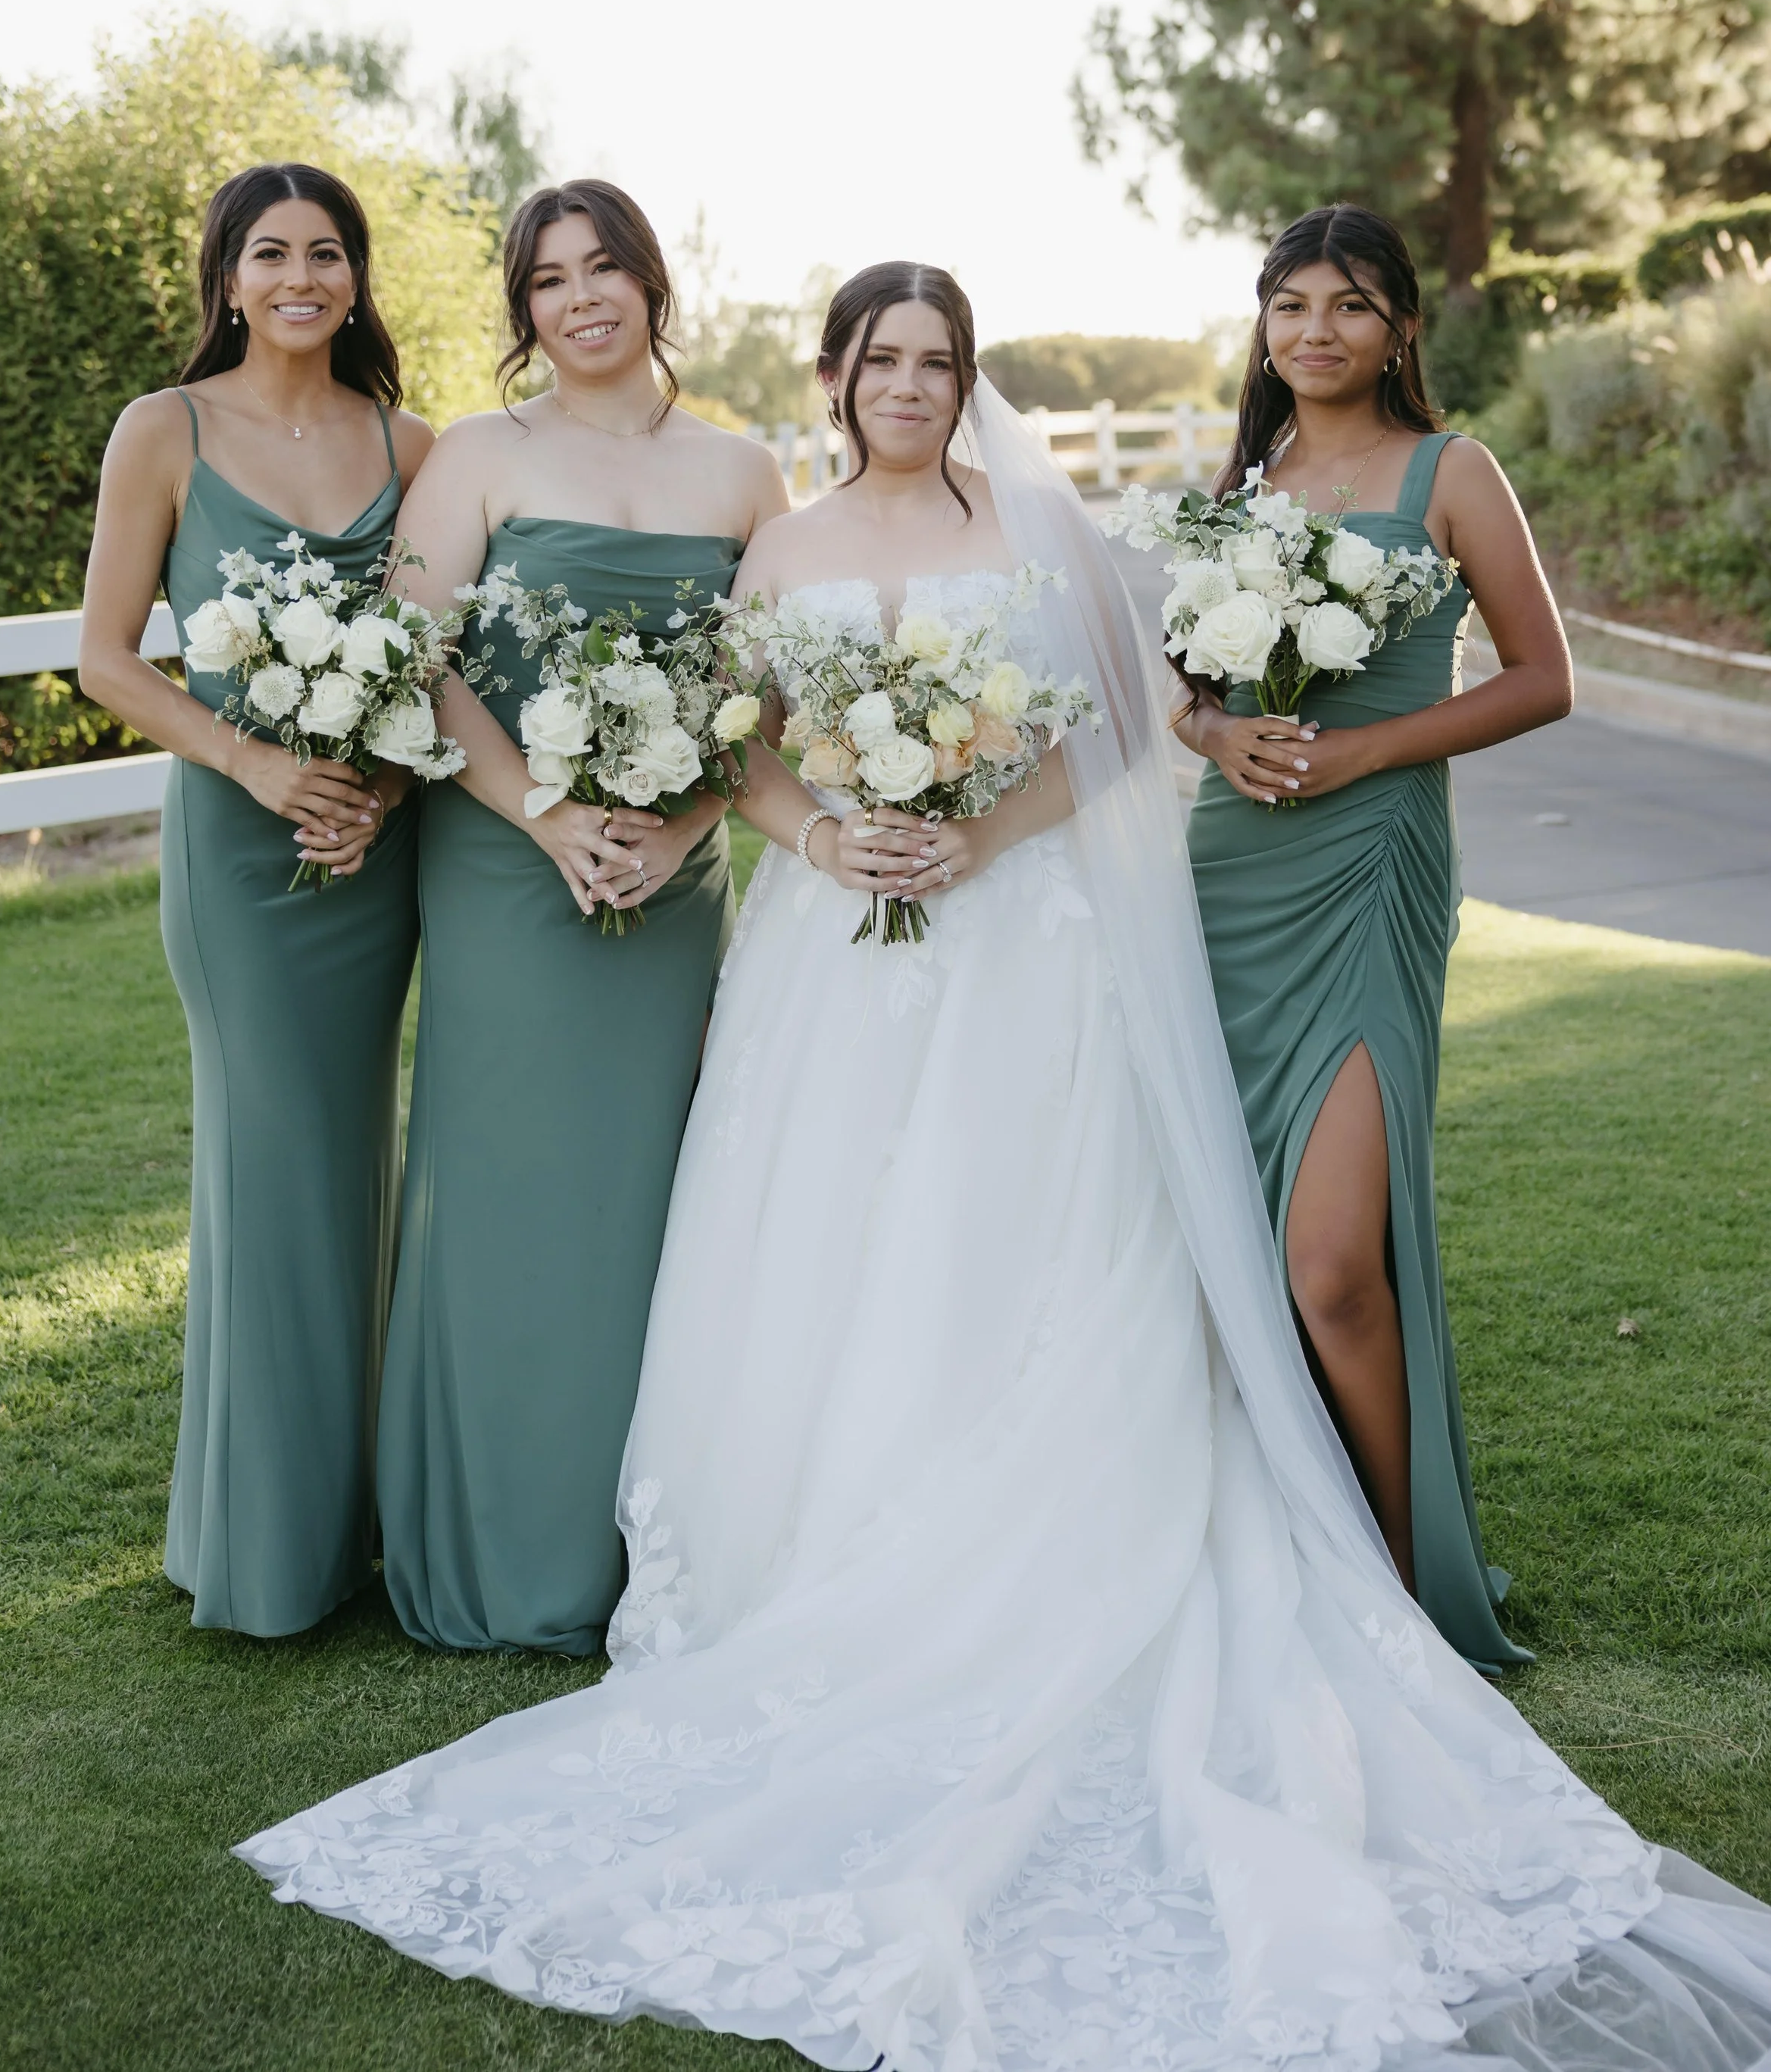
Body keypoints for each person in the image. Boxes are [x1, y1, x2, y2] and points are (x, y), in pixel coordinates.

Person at [239, 258, 1771, 2071]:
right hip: (832, 960)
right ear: (831, 377)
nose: (907, 382)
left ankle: (1052, 1544)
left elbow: (1126, 733)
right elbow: (738, 757)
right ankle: (825, 1564)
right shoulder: (783, 549)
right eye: (878, 357)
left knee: (1019, 1243)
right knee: (829, 1251)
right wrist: (834, 836)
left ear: (964, 380)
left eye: (935, 359)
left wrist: (971, 840)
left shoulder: (1038, 534)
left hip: (1024, 946)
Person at [372, 179, 786, 1653]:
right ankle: (497, 1549)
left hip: (669, 879)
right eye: (548, 280)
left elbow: (765, 694)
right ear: (522, 312)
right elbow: (418, 665)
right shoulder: (479, 454)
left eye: (605, 267)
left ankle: (643, 1550)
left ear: (651, 283)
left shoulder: (743, 475)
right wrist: (546, 817)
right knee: (501, 1187)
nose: (581, 298)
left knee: (650, 1195)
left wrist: (673, 828)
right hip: (500, 864)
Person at [1177, 205, 1569, 1669]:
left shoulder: (1452, 472)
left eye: (1349, 305)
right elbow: (1186, 692)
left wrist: (1369, 750)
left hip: (1370, 868)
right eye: (1290, 306)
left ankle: (1409, 1585)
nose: (1315, 333)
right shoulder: (1243, 482)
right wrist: (1220, 739)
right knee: (1226, 1239)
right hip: (1230, 877)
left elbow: (1545, 679)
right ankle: (1289, 1539)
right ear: (1263, 324)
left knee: (1334, 1260)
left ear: (1402, 324)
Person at [79, 161, 433, 1636]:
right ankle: (267, 1552)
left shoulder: (412, 442)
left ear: (356, 277)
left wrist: (383, 786)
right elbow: (106, 657)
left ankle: (337, 1517)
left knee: (356, 1166)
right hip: (240, 857)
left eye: (328, 253)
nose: (303, 277)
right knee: (272, 1172)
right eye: (271, 253)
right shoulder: (165, 431)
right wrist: (259, 769)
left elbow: (445, 655)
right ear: (226, 276)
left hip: (380, 847)